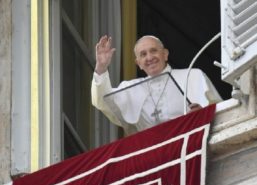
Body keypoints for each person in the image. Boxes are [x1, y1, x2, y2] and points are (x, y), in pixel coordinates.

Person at [91, 35, 222, 134]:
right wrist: (101, 67)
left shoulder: (193, 76)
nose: (149, 58)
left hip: (191, 142)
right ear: (139, 63)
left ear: (165, 54)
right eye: (143, 54)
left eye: (153, 51)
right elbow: (105, 101)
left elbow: (222, 113)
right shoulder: (130, 88)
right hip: (153, 154)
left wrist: (204, 114)